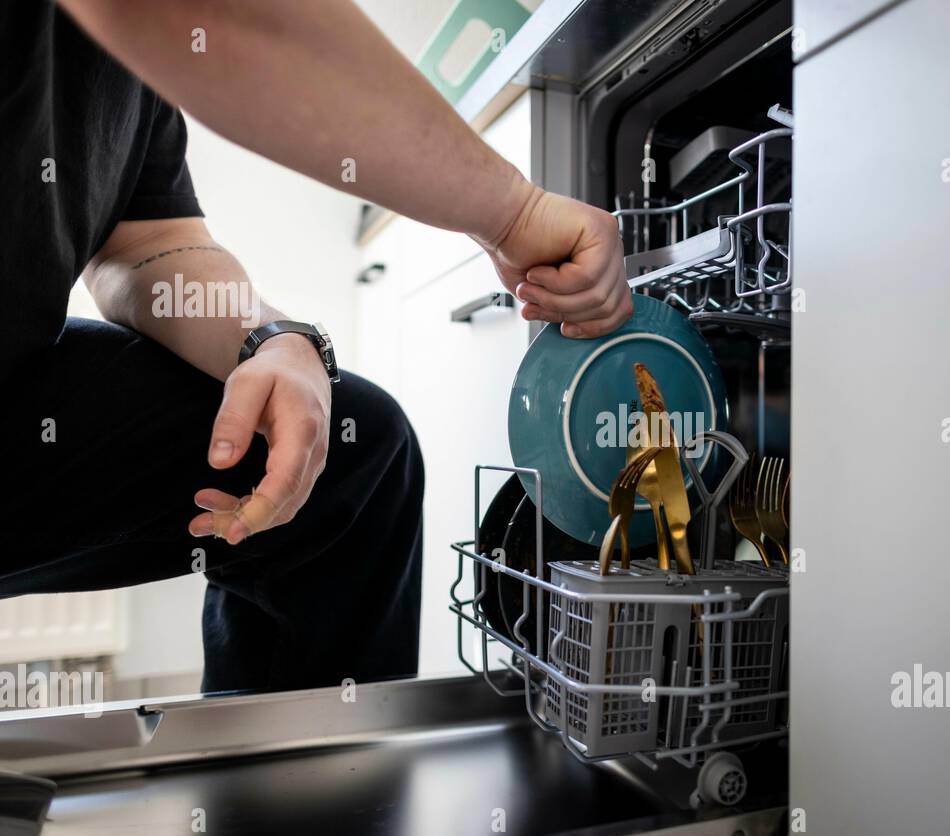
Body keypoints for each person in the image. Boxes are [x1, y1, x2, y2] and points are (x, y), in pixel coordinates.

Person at [0, 0, 634, 693]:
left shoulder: (120, 74)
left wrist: (272, 341)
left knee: (354, 458)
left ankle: (296, 795)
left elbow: (140, 247)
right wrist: (514, 212)